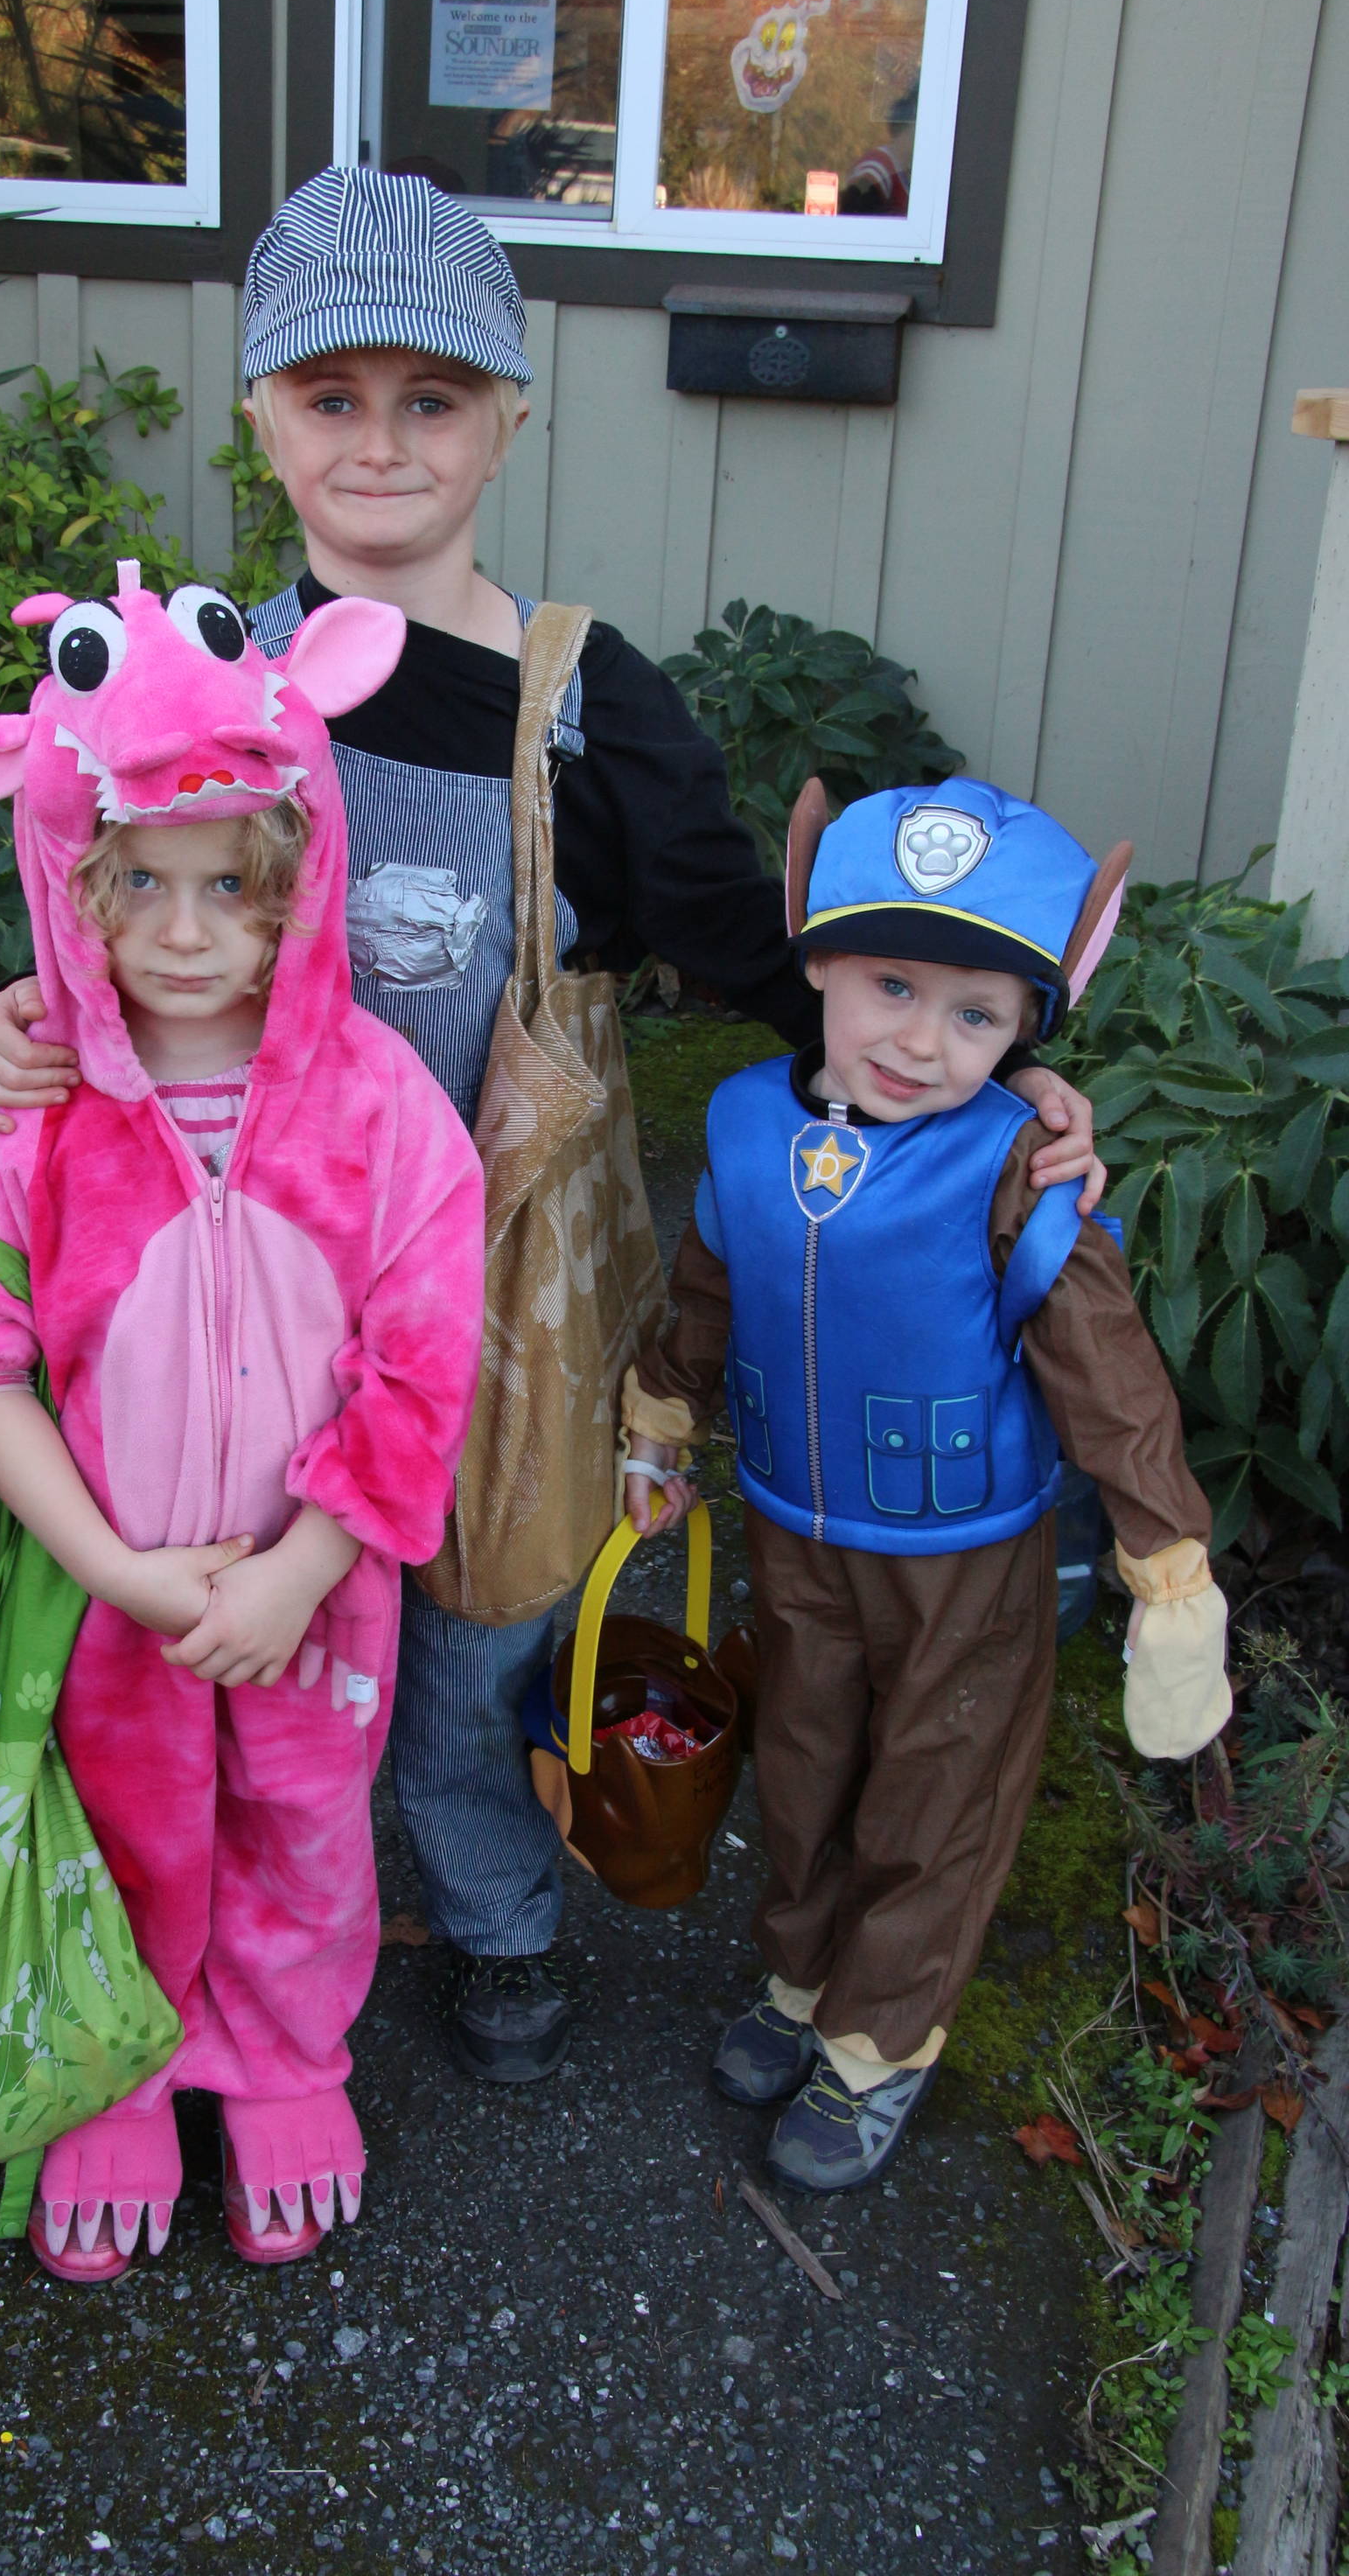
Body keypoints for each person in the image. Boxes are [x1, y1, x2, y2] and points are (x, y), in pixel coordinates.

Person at [0, 164, 1102, 2088]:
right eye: (331, 397)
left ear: (507, 419)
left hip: (497, 1270)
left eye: (432, 399)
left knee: (473, 1630)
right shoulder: (205, 682)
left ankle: (492, 1913)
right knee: (244, 1609)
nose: (379, 444)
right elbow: (106, 911)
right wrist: (19, 1025)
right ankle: (226, 1936)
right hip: (245, 1271)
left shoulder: (580, 701)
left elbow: (758, 944)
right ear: (260, 417)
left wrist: (991, 1068)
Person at [0, 564, 484, 2278]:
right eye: (139, 878)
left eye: (231, 883)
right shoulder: (38, 1105)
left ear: (301, 874)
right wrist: (108, 1569)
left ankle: (284, 2061)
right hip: (103, 1589)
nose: (188, 930)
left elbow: (426, 1358)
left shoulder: (381, 1105)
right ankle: (113, 2073)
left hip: (313, 1585)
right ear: (70, 872)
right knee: (121, 1823)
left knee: (304, 1826)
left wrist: (301, 1567)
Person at [622, 778, 1230, 2193]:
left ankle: (879, 2041)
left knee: (937, 1793)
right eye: (891, 985)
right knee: (804, 1766)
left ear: (1027, 1030)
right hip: (796, 1532)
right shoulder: (743, 1124)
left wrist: (1167, 1561)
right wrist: (662, 1418)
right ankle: (800, 1981)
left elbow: (1106, 1368)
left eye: (976, 1014)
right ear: (818, 959)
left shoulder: (1020, 1163)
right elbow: (710, 1287)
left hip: (965, 1558)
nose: (918, 1040)